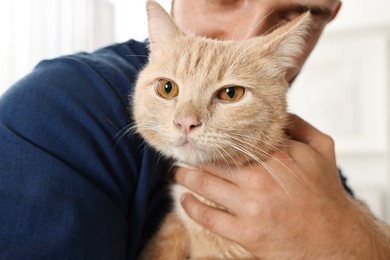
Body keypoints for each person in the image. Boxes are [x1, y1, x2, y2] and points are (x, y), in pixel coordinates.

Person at [0, 0, 388, 259]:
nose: (247, 37)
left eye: (291, 14)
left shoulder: (310, 167)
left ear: (328, 13)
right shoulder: (52, 113)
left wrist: (353, 236)